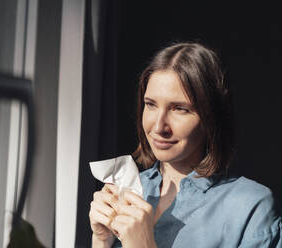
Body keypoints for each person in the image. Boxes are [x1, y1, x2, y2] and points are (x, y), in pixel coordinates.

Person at [88, 42, 282, 248]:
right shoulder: (126, 191)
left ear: (211, 117)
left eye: (179, 109)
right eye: (151, 104)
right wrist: (101, 240)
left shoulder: (249, 207)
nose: (159, 126)